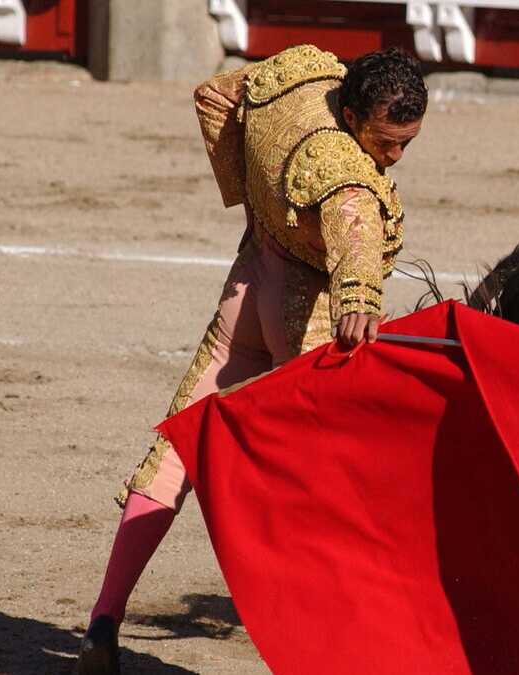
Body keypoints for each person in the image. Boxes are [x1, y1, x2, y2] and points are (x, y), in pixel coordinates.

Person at [75, 44, 427, 674]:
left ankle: (104, 620)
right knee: (332, 485)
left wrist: (257, 204)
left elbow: (214, 96)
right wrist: (361, 294)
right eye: (387, 140)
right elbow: (355, 224)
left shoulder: (298, 75)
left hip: (248, 286)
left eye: (406, 142)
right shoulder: (349, 170)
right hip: (307, 315)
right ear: (351, 116)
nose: (394, 156)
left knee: (177, 447)